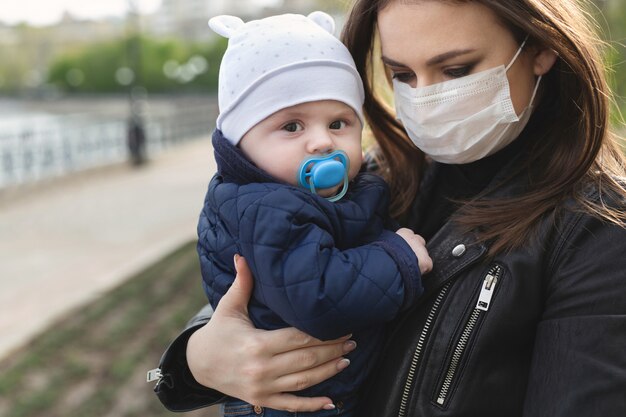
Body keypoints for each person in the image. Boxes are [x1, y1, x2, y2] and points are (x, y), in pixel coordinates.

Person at [151, 1, 626, 416]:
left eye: (456, 70)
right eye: (401, 74)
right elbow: (255, 289)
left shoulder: (598, 227)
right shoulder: (375, 176)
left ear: (541, 47)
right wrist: (195, 360)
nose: (425, 96)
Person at [188, 11, 431, 417]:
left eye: (338, 122)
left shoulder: (319, 193)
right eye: (291, 127)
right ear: (240, 141)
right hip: (300, 403)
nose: (321, 141)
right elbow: (317, 296)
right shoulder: (268, 206)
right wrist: (399, 258)